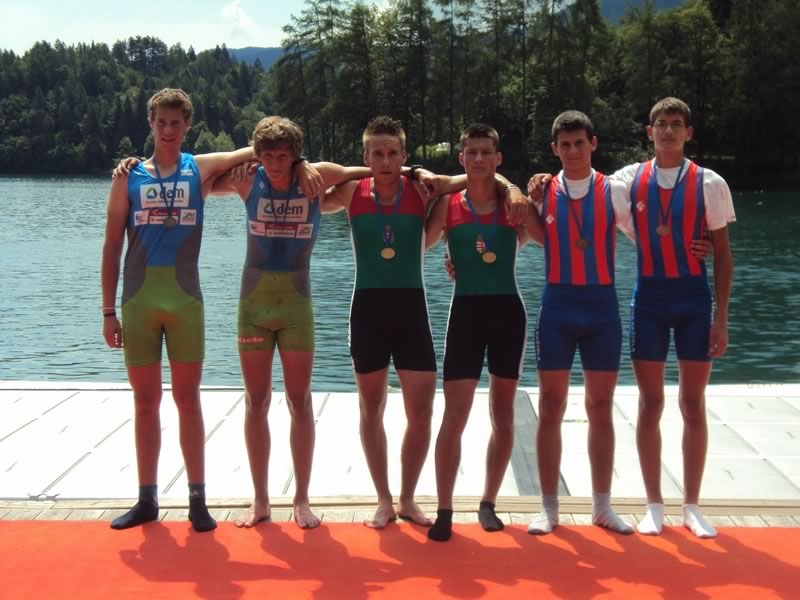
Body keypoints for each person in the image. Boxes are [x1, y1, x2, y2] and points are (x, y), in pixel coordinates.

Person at [100, 89, 310, 531]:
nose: (168, 130)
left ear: (187, 126)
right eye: (161, 122)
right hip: (137, 302)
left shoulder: (200, 168)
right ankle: (146, 499)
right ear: (150, 123)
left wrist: (302, 163)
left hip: (186, 303)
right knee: (145, 402)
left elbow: (262, 149)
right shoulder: (128, 176)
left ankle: (197, 500)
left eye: (176, 123)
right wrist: (107, 311)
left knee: (188, 400)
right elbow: (112, 244)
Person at [210, 116, 371, 529]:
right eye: (267, 155)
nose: (275, 163)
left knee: (300, 401)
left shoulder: (316, 178)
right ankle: (261, 501)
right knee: (256, 401)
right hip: (253, 307)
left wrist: (306, 167)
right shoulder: (249, 178)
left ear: (296, 155)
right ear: (258, 154)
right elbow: (201, 177)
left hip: (297, 307)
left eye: (284, 156)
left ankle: (301, 500)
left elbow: (370, 171)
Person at [613, 97, 735, 538]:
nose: (668, 130)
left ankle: (692, 506)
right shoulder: (628, 180)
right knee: (650, 404)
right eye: (660, 124)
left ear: (688, 132)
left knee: (692, 404)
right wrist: (537, 181)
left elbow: (722, 255)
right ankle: (654, 505)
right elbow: (581, 186)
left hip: (694, 303)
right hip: (649, 301)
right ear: (649, 132)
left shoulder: (710, 183)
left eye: (676, 124)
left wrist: (721, 319)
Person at [423, 124, 543, 542]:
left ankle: (488, 502)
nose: (478, 159)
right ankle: (443, 509)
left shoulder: (514, 205)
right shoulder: (447, 205)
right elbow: (414, 245)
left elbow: (550, 240)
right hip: (465, 317)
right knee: (454, 415)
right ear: (461, 159)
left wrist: (534, 197)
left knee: (502, 413)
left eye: (485, 152)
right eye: (471, 152)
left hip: (508, 315)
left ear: (498, 158)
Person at [526, 111, 636, 536]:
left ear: (593, 143)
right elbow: (510, 233)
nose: (573, 151)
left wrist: (694, 246)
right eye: (565, 145)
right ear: (554, 149)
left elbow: (646, 237)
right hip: (557, 310)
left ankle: (602, 507)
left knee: (600, 407)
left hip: (602, 312)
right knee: (551, 407)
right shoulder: (542, 192)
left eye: (579, 143)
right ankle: (548, 507)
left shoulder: (616, 191)